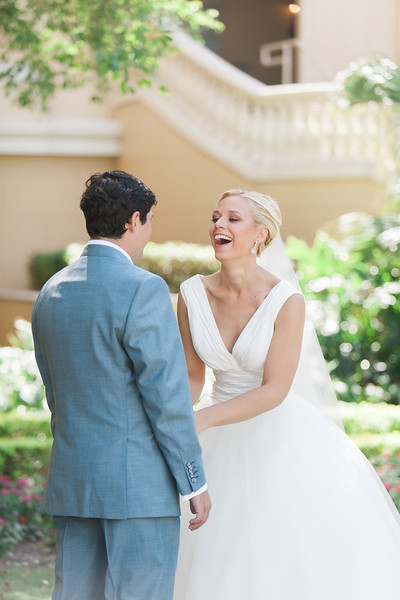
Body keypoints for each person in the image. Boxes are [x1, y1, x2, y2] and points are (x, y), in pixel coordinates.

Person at [173, 189, 400, 600]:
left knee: (273, 546)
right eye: (215, 217)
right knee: (211, 551)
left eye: (233, 219)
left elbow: (275, 390)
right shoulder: (191, 295)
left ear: (260, 234)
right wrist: (175, 416)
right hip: (212, 429)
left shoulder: (286, 301)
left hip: (275, 430)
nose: (218, 225)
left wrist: (203, 419)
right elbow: (193, 377)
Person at [31, 170, 211, 600]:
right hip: (138, 487)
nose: (149, 231)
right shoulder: (143, 289)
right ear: (134, 221)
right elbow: (166, 399)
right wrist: (195, 482)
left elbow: (57, 395)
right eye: (148, 220)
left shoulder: (51, 291)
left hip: (74, 483)